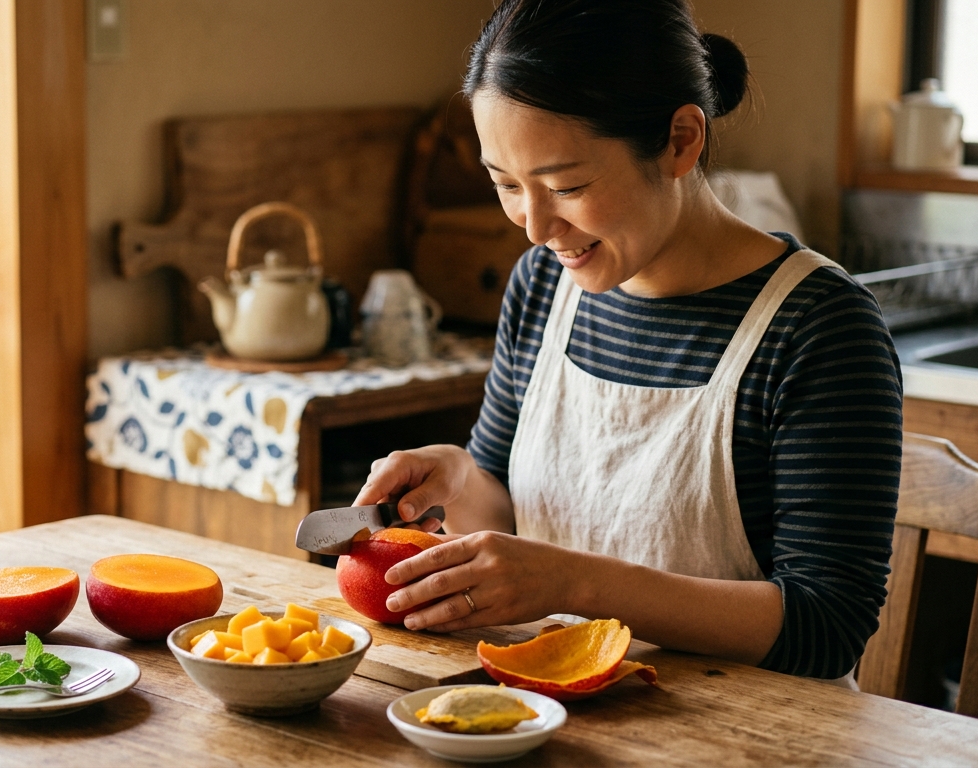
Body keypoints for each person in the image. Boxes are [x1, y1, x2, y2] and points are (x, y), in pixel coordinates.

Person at [355, 0, 901, 684]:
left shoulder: (817, 326)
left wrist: (577, 584)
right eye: (506, 185)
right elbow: (510, 510)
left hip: (750, 730)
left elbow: (827, 626)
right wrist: (461, 479)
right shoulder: (542, 286)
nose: (535, 227)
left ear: (680, 141)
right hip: (557, 709)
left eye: (566, 185)